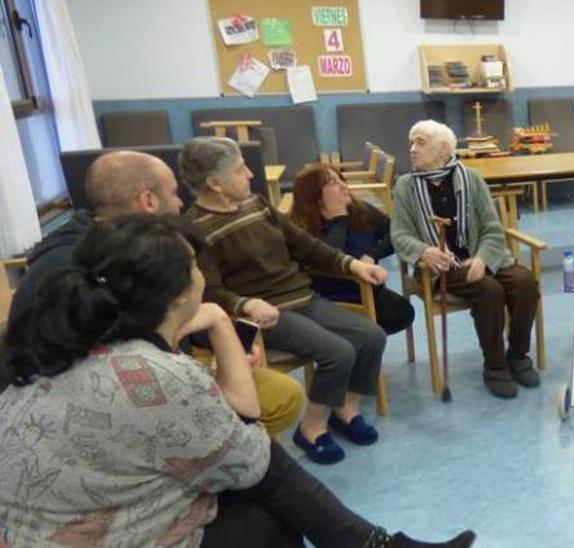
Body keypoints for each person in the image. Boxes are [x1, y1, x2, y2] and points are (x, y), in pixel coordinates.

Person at [0, 215, 474, 547]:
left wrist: (215, 321)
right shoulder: (156, 375)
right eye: (192, 265)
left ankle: (374, 545)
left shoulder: (72, 338)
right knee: (264, 513)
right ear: (176, 292)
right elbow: (250, 453)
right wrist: (224, 321)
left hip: (36, 528)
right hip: (95, 531)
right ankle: (374, 545)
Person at [4, 150, 305, 439]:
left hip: (155, 365)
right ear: (148, 201)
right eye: (175, 194)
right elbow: (117, 362)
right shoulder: (78, 266)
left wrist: (218, 343)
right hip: (90, 405)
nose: (179, 204)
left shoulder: (120, 244)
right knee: (262, 409)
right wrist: (203, 369)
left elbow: (157, 318)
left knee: (281, 394)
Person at [181, 137, 389, 465]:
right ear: (214, 183)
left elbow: (305, 245)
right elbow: (209, 291)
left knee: (371, 336)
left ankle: (345, 411)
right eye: (239, 170)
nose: (249, 174)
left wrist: (353, 264)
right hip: (266, 312)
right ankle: (311, 429)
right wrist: (244, 304)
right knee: (338, 352)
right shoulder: (195, 228)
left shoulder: (258, 204)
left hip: (303, 296)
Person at [390, 120, 540, 399]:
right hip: (441, 268)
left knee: (524, 282)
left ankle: (517, 356)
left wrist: (483, 257)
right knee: (489, 290)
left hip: (482, 256)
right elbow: (399, 234)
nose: (412, 149)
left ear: (444, 149)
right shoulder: (405, 187)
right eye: (411, 142)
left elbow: (492, 228)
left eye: (420, 143)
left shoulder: (471, 179)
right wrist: (424, 251)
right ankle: (495, 366)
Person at [288, 163, 416, 335]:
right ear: (316, 195)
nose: (343, 185)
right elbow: (327, 258)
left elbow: (395, 234)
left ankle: (361, 344)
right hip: (327, 298)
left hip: (367, 291)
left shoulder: (360, 210)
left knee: (402, 312)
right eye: (333, 183)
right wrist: (339, 219)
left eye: (341, 179)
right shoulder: (300, 227)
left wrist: (372, 254)